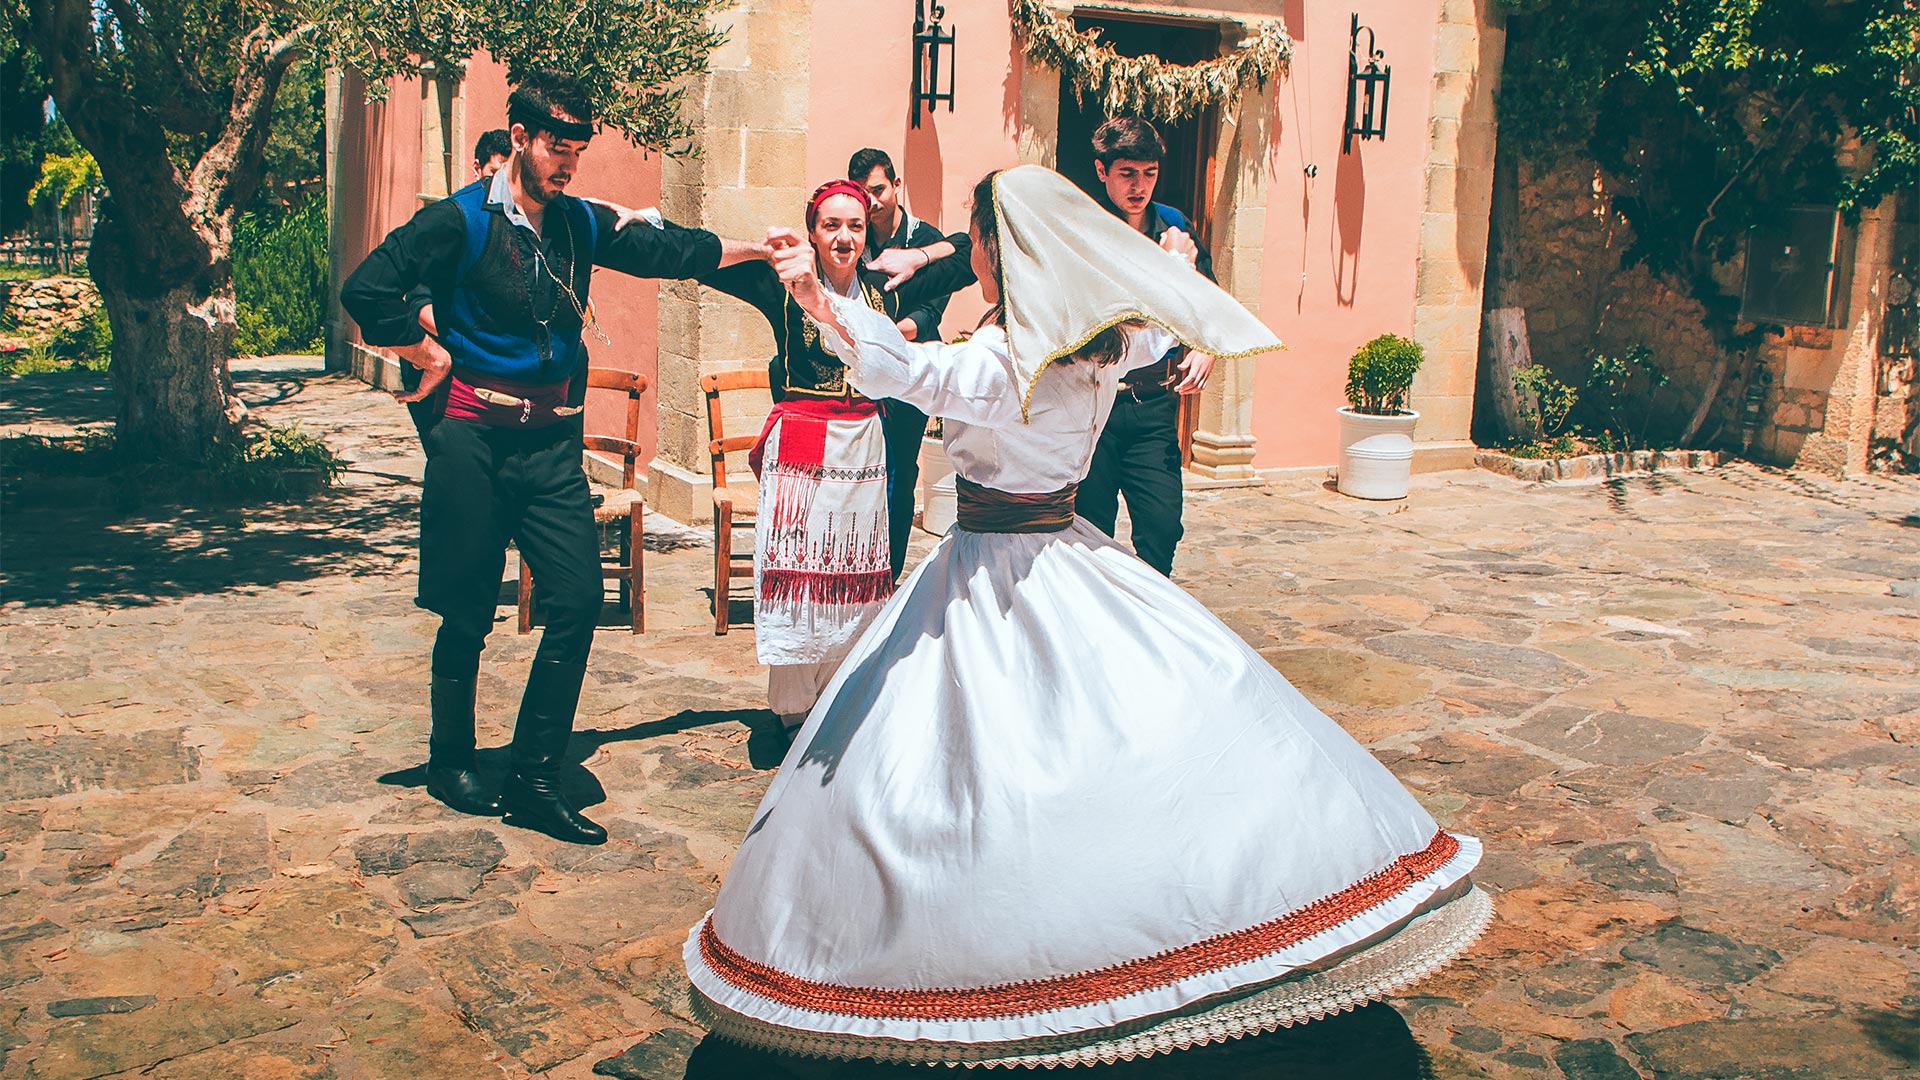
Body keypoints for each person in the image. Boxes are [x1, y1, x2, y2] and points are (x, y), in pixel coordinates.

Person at [680, 167, 1489, 1067]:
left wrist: (822, 302)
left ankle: (1025, 959)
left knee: (971, 774)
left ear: (1001, 249)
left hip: (993, 568)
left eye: (978, 238)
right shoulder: (1104, 347)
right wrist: (1169, 262)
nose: (970, 251)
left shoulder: (1005, 360)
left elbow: (908, 371)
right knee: (1138, 731)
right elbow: (1160, 328)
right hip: (1072, 548)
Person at [340, 70, 771, 845]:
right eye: (555, 149)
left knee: (574, 599)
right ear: (520, 141)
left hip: (548, 445)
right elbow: (367, 290)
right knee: (469, 607)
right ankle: (450, 760)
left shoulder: (577, 223)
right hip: (471, 438)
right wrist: (424, 348)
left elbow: (666, 248)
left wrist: (755, 252)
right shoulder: (458, 221)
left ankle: (536, 778)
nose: (567, 165)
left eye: (577, 151)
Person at [695, 179, 973, 729]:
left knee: (853, 577)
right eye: (831, 226)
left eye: (855, 225)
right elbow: (700, 259)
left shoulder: (886, 286)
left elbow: (968, 253)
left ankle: (842, 701)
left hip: (864, 445)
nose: (844, 238)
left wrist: (918, 254)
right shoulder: (783, 284)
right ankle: (793, 712)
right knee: (801, 574)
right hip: (801, 444)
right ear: (813, 232)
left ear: (868, 230)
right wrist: (761, 248)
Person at [1080, 116, 1214, 577]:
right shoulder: (1084, 227)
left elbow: (1208, 299)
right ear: (1102, 171)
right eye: (1127, 174)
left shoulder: (1174, 224)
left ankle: (1152, 620)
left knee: (1162, 525)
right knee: (1090, 529)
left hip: (1154, 403)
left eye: (1149, 173)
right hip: (1092, 401)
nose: (1140, 186)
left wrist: (1204, 349)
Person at [848, 147, 965, 580]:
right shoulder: (852, 236)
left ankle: (889, 572)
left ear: (896, 186)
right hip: (858, 373)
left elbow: (928, 317)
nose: (872, 200)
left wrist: (876, 334)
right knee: (859, 470)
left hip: (909, 376)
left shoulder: (926, 239)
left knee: (899, 470)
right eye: (863, 193)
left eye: (878, 190)